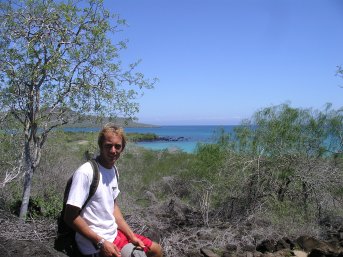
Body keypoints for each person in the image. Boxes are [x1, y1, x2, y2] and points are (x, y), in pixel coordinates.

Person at [64, 124, 163, 257]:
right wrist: (100, 242)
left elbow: (113, 206)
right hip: (94, 245)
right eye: (108, 145)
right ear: (100, 146)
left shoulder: (113, 170)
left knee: (157, 250)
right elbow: (70, 217)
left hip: (114, 234)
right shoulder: (86, 173)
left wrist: (131, 235)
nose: (113, 150)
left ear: (122, 148)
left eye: (117, 146)